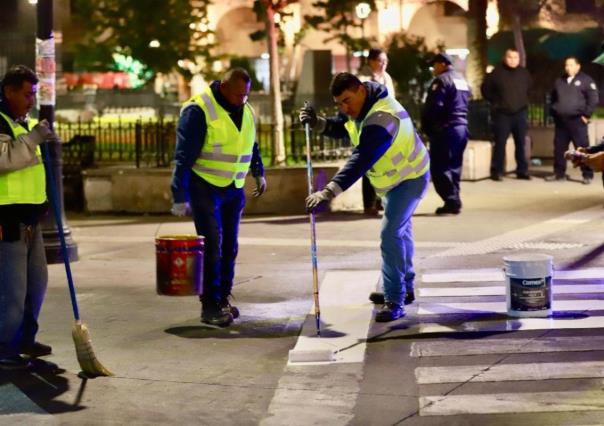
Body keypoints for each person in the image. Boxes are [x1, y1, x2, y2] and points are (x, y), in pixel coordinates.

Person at [299, 73, 430, 322]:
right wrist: (318, 123)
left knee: (390, 233)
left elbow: (361, 158)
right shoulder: (360, 108)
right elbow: (342, 127)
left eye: (347, 101)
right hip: (392, 181)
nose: (344, 108)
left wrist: (328, 191)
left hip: (411, 177)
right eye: (339, 103)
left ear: (361, 90)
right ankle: (405, 287)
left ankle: (395, 300)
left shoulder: (383, 117)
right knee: (401, 232)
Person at [170, 68, 266, 327]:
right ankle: (209, 305)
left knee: (229, 247)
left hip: (233, 188)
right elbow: (183, 156)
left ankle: (223, 298)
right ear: (223, 87)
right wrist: (179, 194)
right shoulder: (199, 110)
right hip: (205, 188)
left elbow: (251, 144)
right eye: (237, 95)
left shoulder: (245, 110)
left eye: (246, 95)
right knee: (212, 245)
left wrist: (258, 172)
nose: (242, 100)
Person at [0, 65, 55, 370]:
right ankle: (4, 346)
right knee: (12, 289)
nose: (31, 100)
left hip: (31, 219)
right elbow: (3, 160)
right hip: (8, 219)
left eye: (33, 93)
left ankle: (25, 338)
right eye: (26, 93)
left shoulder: (22, 124)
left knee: (36, 284)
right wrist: (34, 139)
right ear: (8, 91)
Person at [421, 52, 470, 215]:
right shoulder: (461, 80)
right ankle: (453, 198)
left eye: (434, 65)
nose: (433, 69)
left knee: (440, 166)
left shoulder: (442, 80)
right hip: (461, 127)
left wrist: (428, 126)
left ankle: (451, 200)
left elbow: (435, 107)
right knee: (454, 166)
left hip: (446, 129)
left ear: (442, 64)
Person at [481, 48, 533, 181]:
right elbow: (486, 90)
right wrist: (496, 103)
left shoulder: (524, 73)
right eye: (510, 57)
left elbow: (529, 89)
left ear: (519, 59)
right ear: (505, 57)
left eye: (515, 58)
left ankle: (522, 170)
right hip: (502, 114)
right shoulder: (496, 73)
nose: (513, 60)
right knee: (500, 144)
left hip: (520, 113)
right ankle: (497, 171)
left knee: (520, 143)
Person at [546, 56, 599, 184]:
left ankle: (587, 174)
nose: (568, 67)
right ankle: (559, 173)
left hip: (577, 121)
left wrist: (586, 115)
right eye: (566, 65)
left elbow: (593, 99)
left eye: (571, 65)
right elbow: (553, 98)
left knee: (581, 149)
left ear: (578, 66)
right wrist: (555, 111)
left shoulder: (586, 80)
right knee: (559, 149)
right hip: (561, 122)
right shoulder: (560, 81)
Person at [357, 48, 395, 216]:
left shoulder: (386, 78)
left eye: (385, 61)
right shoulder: (361, 79)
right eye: (381, 61)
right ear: (371, 61)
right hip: (369, 126)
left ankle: (380, 200)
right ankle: (369, 203)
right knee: (370, 164)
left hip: (386, 125)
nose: (384, 64)